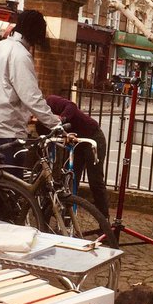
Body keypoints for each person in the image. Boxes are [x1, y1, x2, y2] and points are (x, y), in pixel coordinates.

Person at [0, 9, 61, 165]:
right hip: (10, 132)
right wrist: (55, 124)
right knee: (11, 185)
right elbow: (31, 96)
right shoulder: (21, 55)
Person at [46, 94, 110, 226]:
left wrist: (61, 119)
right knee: (71, 179)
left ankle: (105, 223)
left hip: (92, 136)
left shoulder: (50, 101)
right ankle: (68, 220)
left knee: (95, 181)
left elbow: (72, 106)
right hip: (76, 143)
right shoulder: (40, 119)